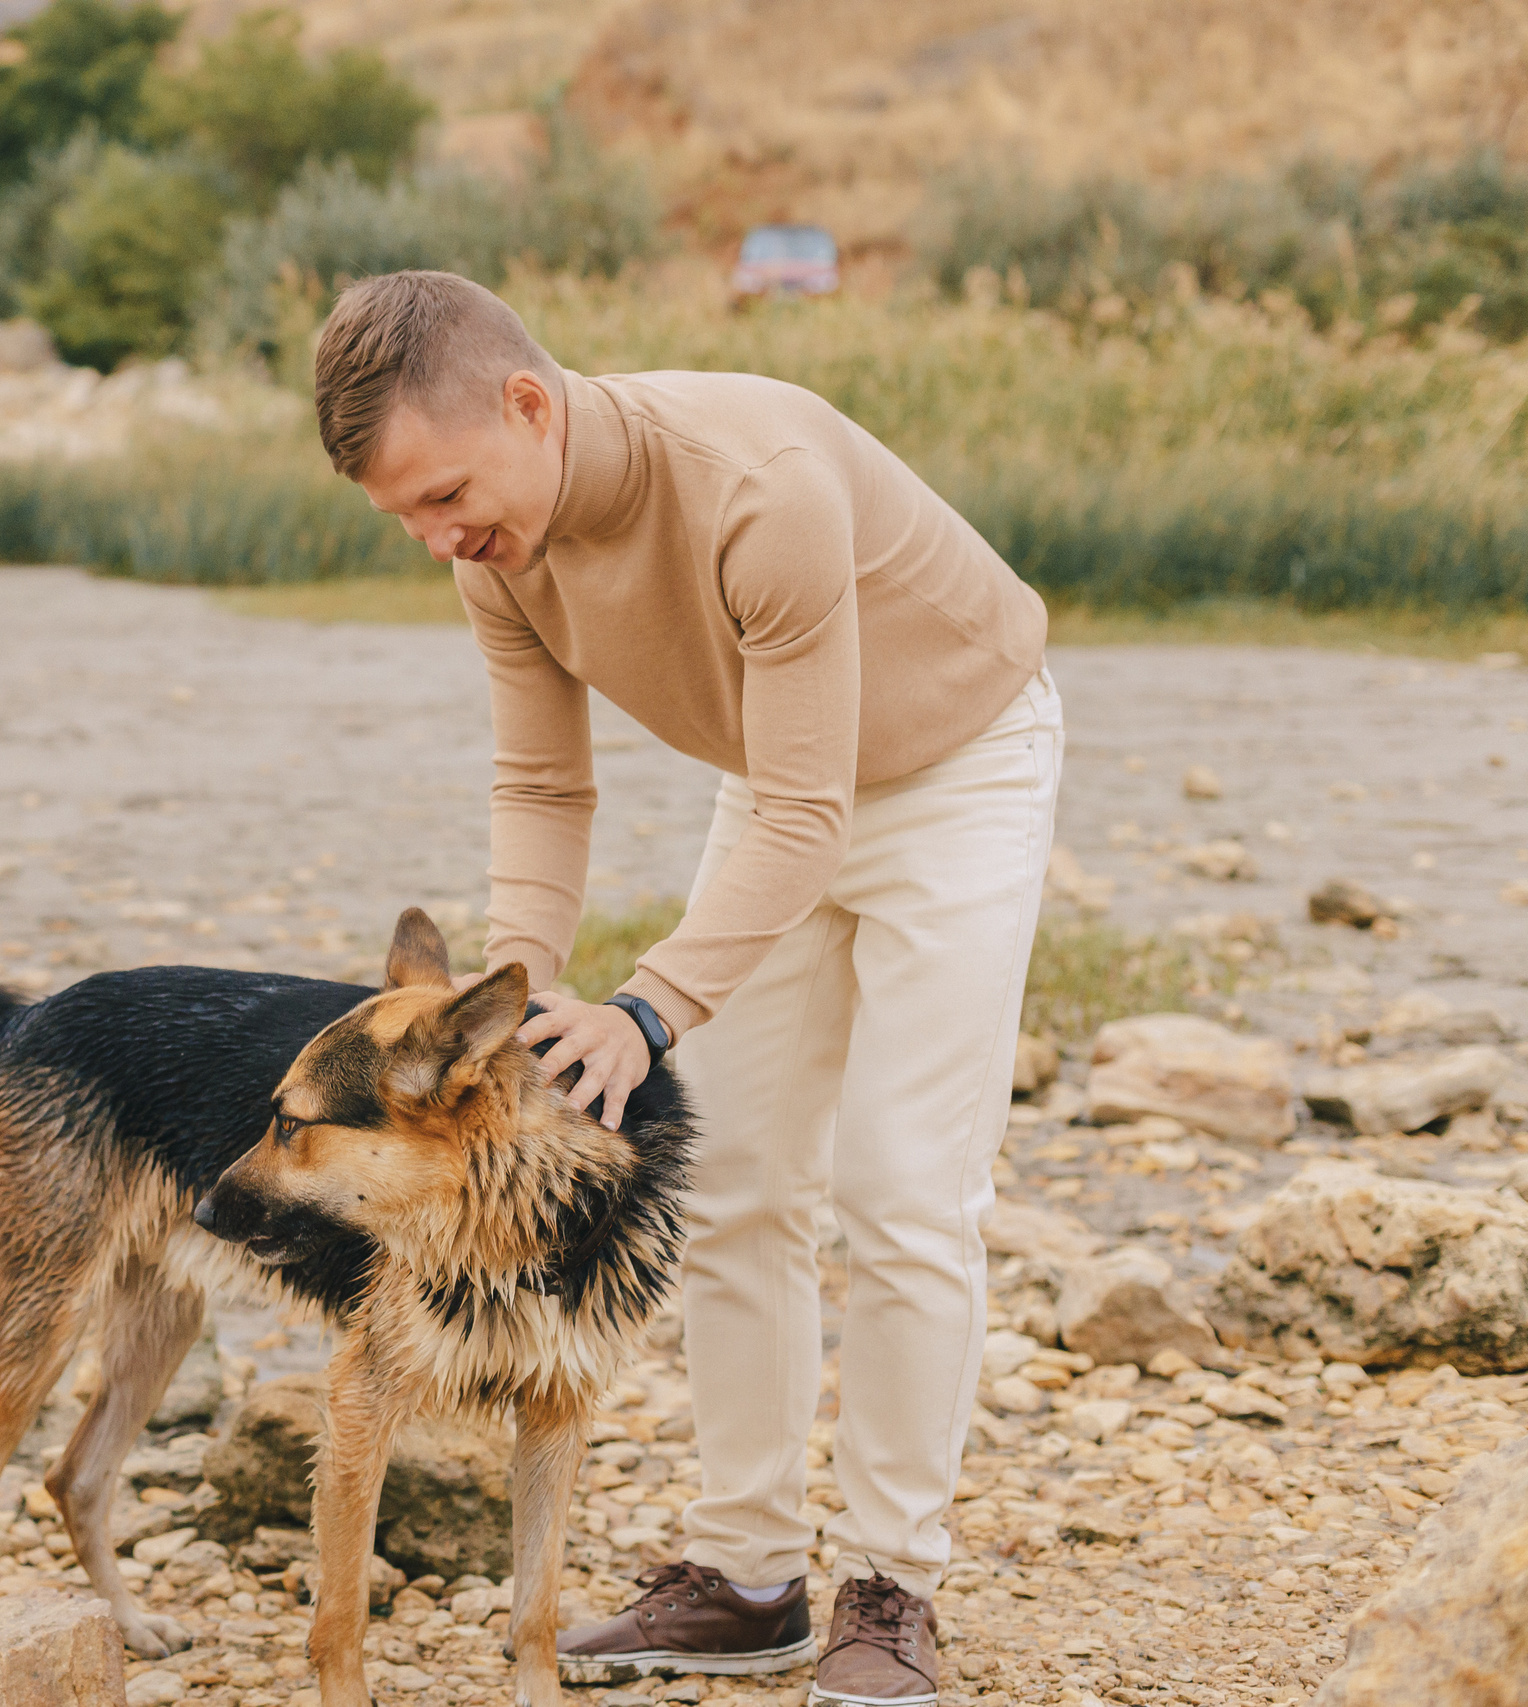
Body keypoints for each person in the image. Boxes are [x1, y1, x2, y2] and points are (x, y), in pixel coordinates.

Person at [309, 270, 1059, 1707]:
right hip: (778, 785)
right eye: (402, 516)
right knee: (740, 1182)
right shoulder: (494, 550)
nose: (435, 538)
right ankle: (750, 1578)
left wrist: (648, 1008)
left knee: (904, 1187)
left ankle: (893, 1584)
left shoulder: (755, 488)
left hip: (956, 766)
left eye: (445, 493)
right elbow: (541, 779)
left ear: (530, 404)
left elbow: (807, 815)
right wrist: (511, 1000)